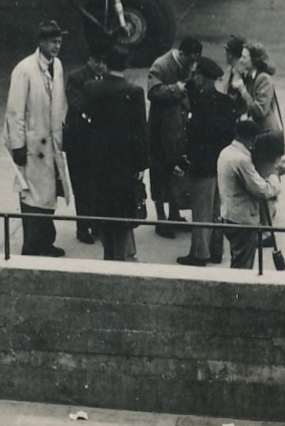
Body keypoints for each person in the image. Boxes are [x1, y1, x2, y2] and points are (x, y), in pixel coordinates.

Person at [4, 20, 69, 257]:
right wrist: (18, 146)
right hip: (32, 147)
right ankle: (32, 247)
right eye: (53, 41)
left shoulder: (57, 66)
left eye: (59, 42)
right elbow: (15, 111)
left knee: (49, 196)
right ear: (41, 42)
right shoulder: (25, 69)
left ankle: (46, 242)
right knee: (32, 197)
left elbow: (59, 102)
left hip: (51, 143)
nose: (57, 46)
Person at [82, 49, 149, 262]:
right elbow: (140, 132)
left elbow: (86, 118)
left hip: (99, 165)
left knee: (102, 215)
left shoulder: (91, 88)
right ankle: (121, 259)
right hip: (124, 167)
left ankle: (107, 257)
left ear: (105, 65)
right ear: (125, 66)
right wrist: (141, 165)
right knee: (121, 218)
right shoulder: (134, 92)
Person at [177, 59, 236, 267]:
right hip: (220, 165)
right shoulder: (227, 102)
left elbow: (193, 138)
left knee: (201, 210)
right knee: (216, 210)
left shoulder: (200, 105)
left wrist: (186, 162)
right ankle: (216, 250)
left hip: (202, 166)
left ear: (201, 78)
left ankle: (199, 254)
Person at [145, 37, 200, 236]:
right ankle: (161, 219)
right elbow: (152, 92)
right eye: (190, 61)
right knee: (159, 172)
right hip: (160, 130)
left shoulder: (189, 66)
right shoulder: (160, 65)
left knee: (177, 172)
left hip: (179, 128)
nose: (192, 66)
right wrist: (175, 89)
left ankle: (174, 215)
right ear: (182, 54)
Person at [216, 117, 285, 270]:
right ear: (251, 139)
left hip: (229, 216)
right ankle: (235, 293)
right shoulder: (242, 160)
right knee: (243, 268)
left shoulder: (226, 152)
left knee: (237, 261)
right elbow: (262, 190)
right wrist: (275, 175)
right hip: (243, 222)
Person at [61, 55, 107, 244]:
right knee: (81, 185)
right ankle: (82, 227)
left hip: (96, 140)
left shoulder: (103, 77)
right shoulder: (76, 77)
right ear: (90, 60)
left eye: (104, 63)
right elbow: (77, 104)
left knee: (97, 184)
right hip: (78, 141)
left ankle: (95, 224)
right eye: (98, 62)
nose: (101, 66)